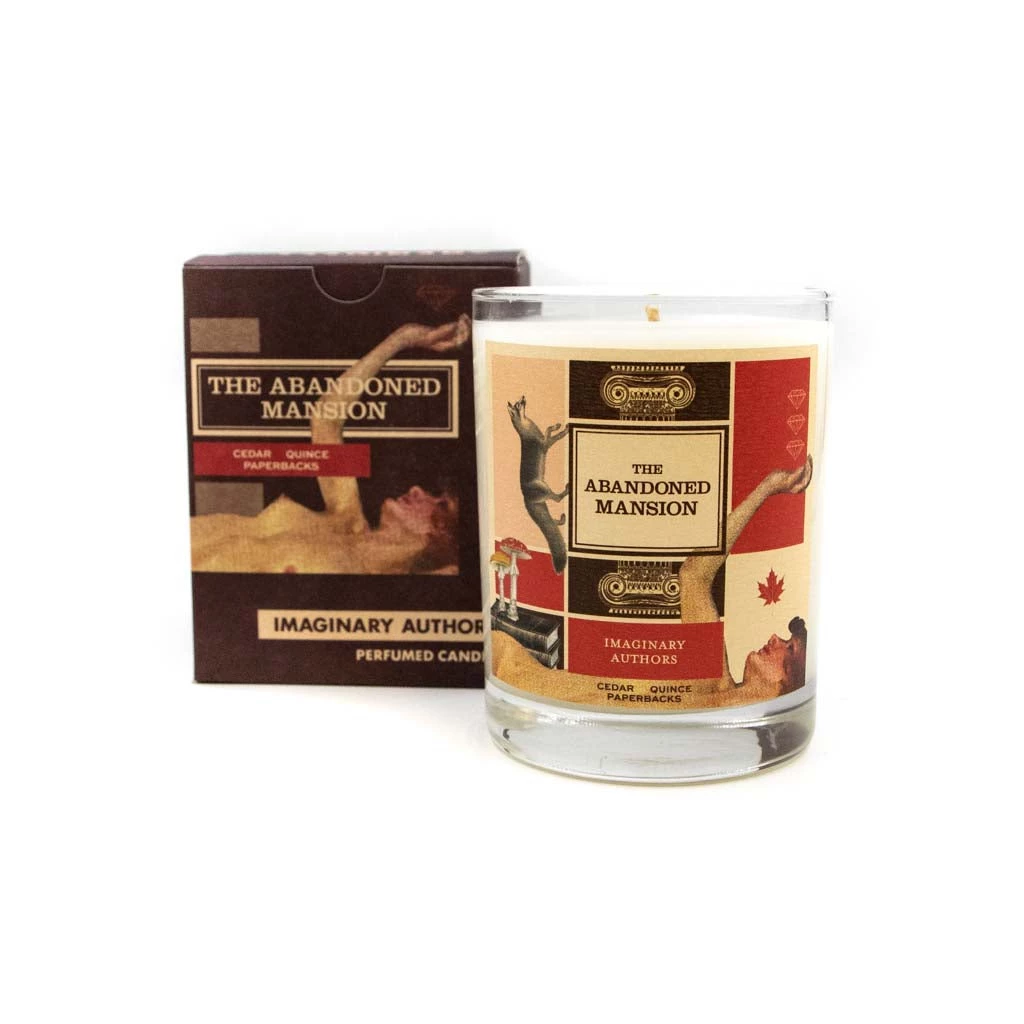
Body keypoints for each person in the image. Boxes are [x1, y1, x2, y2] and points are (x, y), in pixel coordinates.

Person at [190, 316, 469, 575]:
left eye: (442, 505)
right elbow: (326, 418)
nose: (417, 489)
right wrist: (402, 338)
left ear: (445, 538)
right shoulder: (347, 517)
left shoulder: (361, 584)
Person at [678, 456, 813, 700]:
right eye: (787, 640)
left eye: (790, 647)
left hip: (766, 717)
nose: (774, 638)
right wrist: (766, 488)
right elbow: (693, 576)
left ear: (794, 677)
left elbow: (693, 578)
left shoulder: (714, 685)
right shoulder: (714, 683)